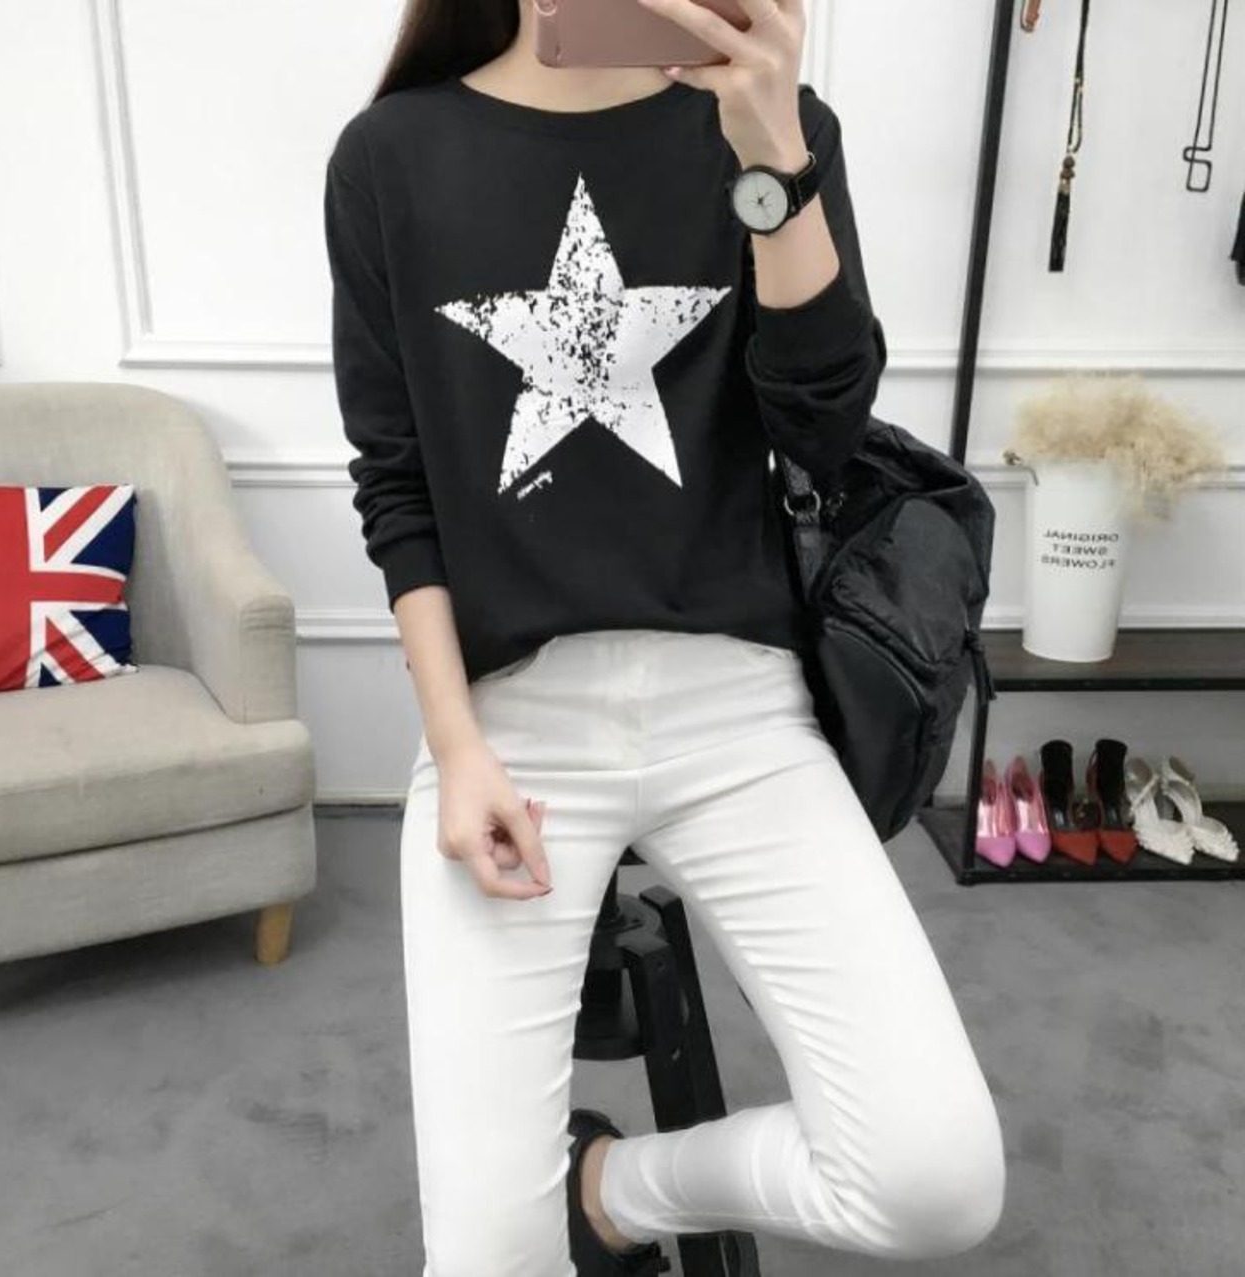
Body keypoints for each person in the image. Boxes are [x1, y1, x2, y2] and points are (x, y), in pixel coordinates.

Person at [323, 1, 1007, 1273]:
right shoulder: (391, 155)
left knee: (934, 1183)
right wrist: (455, 746)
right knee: (484, 1259)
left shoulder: (771, 126)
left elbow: (821, 426)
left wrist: (772, 155)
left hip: (739, 709)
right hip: (510, 725)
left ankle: (609, 1188)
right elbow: (396, 483)